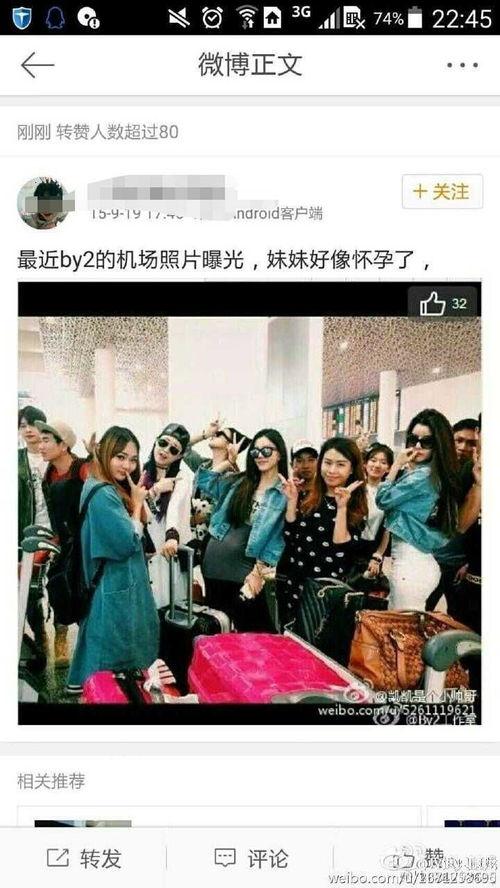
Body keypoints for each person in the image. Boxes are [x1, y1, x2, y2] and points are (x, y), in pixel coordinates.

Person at [67, 426, 159, 693]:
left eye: (133, 459)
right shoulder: (104, 494)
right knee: (110, 655)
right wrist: (138, 504)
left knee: (104, 642)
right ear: (106, 453)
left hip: (115, 581)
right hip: (114, 584)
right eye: (120, 457)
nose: (127, 465)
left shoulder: (101, 484)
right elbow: (126, 542)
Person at [197, 428, 289, 631]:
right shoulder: (240, 482)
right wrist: (228, 462)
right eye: (255, 451)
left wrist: (258, 572)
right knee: (219, 632)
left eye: (267, 450)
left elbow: (278, 537)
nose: (260, 455)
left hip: (244, 573)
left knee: (257, 634)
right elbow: (204, 482)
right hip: (213, 567)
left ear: (280, 454)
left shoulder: (284, 492)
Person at [375, 409, 461, 611]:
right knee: (404, 624)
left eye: (427, 442)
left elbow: (383, 499)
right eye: (413, 439)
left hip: (411, 565)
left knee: (401, 626)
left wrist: (396, 464)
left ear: (438, 444)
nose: (418, 446)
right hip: (416, 562)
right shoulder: (431, 474)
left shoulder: (422, 477)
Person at [279, 437, 367, 626]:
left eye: (340, 464)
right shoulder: (307, 496)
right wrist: (292, 501)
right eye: (327, 463)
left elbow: (340, 548)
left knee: (319, 638)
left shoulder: (355, 505)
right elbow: (290, 537)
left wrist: (341, 507)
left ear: (352, 469)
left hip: (326, 592)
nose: (332, 470)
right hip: (296, 584)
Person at [35, 419, 91, 668]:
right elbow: (53, 517)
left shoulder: (82, 468)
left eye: (46, 440)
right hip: (63, 542)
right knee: (58, 586)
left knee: (85, 593)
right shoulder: (48, 476)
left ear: (63, 445)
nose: (41, 445)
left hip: (86, 542)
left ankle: (89, 645)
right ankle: (61, 639)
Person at [140, 423, 194, 608]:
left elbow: (174, 507)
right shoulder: (142, 472)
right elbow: (134, 506)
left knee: (168, 604)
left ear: (179, 456)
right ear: (156, 441)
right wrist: (155, 490)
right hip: (143, 551)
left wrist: (172, 536)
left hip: (168, 552)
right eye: (163, 443)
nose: (165, 450)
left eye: (173, 449)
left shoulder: (181, 477)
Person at [190, 427, 250, 564]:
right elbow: (184, 448)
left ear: (230, 445)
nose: (215, 434)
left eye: (220, 434)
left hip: (213, 542)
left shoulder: (232, 476)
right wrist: (205, 434)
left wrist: (230, 462)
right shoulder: (204, 465)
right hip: (194, 537)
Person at [18, 405, 51, 651]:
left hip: (53, 531)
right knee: (27, 586)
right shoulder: (15, 459)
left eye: (33, 424)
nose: (28, 429)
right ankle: (39, 635)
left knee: (54, 584)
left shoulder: (52, 456)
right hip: (25, 533)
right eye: (23, 425)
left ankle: (56, 633)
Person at [357, 443, 394, 580]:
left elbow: (387, 529)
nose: (377, 465)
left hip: (373, 550)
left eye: (383, 462)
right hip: (351, 547)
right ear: (365, 464)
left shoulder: (389, 494)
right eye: (373, 460)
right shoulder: (355, 489)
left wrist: (378, 555)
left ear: (389, 468)